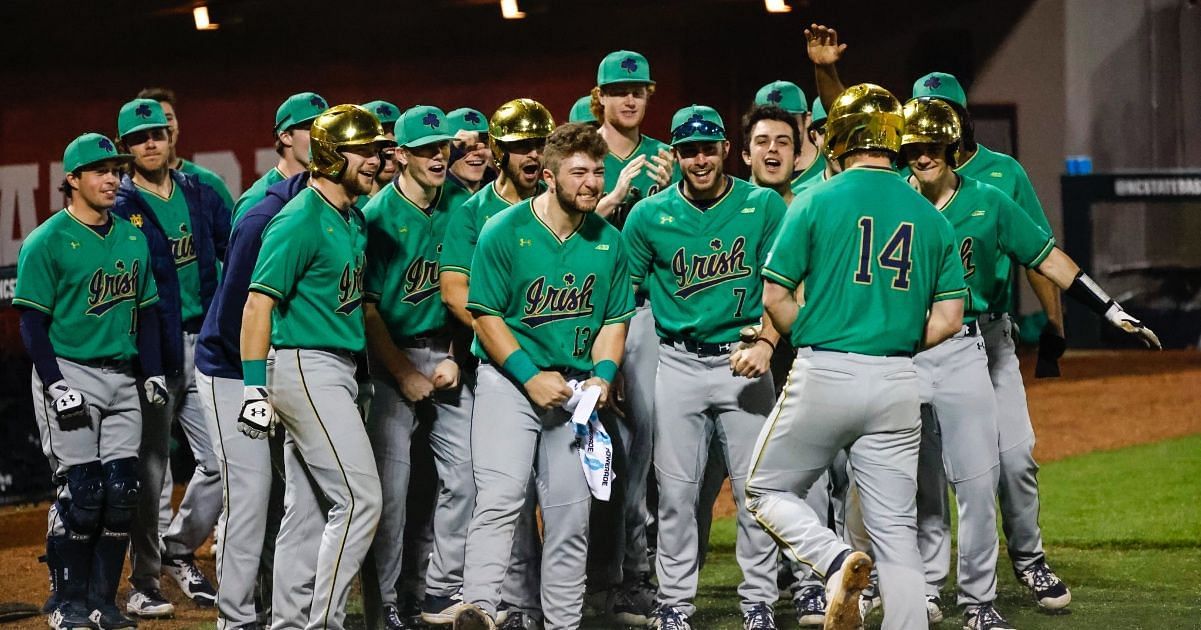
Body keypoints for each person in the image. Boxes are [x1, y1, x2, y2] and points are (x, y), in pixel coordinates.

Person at [900, 97, 1160, 628]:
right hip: (904, 352)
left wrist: (1110, 310)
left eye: (932, 146)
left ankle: (981, 599)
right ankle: (924, 586)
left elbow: (1047, 257)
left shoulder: (990, 199)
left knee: (981, 475)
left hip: (972, 345)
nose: (923, 156)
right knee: (922, 479)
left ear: (952, 147)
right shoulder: (891, 200)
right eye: (913, 147)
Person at [745, 83, 970, 630]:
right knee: (896, 532)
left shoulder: (815, 201)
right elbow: (950, 318)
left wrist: (817, 332)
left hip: (826, 369)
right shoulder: (931, 216)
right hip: (898, 378)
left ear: (839, 136)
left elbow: (774, 294)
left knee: (765, 490)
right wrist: (891, 337)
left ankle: (835, 559)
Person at [452, 122, 635, 630]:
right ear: (550, 178)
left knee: (570, 518)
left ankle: (562, 624)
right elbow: (485, 317)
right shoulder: (503, 232)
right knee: (500, 499)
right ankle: (481, 609)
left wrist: (601, 376)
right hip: (507, 382)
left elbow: (613, 321)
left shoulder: (609, 242)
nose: (593, 183)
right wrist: (530, 376)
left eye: (598, 172)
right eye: (579, 173)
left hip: (574, 389)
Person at [623, 105, 785, 630]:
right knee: (674, 492)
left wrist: (767, 339)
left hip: (745, 360)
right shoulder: (648, 216)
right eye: (688, 150)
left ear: (725, 151)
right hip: (678, 364)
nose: (699, 159)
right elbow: (623, 292)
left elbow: (786, 285)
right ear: (675, 154)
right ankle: (674, 602)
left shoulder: (761, 206)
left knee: (753, 490)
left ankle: (758, 600)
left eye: (708, 148)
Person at [237, 104, 394, 630]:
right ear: (331, 154)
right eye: (365, 151)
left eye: (377, 150)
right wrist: (253, 389)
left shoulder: (349, 216)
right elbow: (257, 304)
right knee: (360, 500)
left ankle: (287, 622)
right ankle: (322, 623)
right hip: (305, 365)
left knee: (306, 514)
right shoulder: (299, 218)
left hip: (333, 368)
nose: (376, 159)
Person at [17, 133, 165, 630]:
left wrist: (153, 371)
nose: (111, 179)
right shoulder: (47, 240)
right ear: (72, 179)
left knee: (122, 492)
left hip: (121, 376)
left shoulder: (132, 236)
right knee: (81, 493)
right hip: (70, 372)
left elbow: (145, 314)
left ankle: (104, 602)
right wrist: (55, 383)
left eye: (115, 170)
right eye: (99, 171)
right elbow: (32, 323)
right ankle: (66, 603)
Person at [439, 98, 557, 630]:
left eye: (538, 145)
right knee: (499, 491)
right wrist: (508, 340)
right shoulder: (472, 212)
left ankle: (543, 607)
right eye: (519, 146)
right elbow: (454, 291)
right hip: (491, 369)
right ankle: (497, 603)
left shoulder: (559, 203)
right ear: (498, 152)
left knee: (558, 495)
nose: (530, 155)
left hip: (558, 369)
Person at [111, 98, 230, 617]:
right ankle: (145, 581)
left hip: (203, 342)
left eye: (157, 133)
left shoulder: (200, 191)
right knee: (152, 471)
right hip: (154, 352)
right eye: (140, 138)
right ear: (127, 149)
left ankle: (178, 550)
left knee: (223, 461)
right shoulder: (119, 206)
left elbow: (236, 248)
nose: (151, 143)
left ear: (171, 135)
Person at [358, 105, 473, 630]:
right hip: (390, 361)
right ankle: (383, 607)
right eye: (425, 149)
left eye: (442, 147)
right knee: (391, 495)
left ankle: (436, 592)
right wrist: (403, 372)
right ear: (399, 155)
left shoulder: (462, 204)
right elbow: (368, 307)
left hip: (448, 355)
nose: (437, 156)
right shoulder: (378, 216)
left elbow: (473, 295)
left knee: (466, 480)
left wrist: (455, 354)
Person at [194, 158, 313, 628]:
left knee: (284, 493)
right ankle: (236, 617)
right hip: (230, 370)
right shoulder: (262, 219)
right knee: (251, 491)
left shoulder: (334, 213)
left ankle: (271, 604)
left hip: (274, 367)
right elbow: (231, 318)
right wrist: (255, 388)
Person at [231, 92, 328, 225]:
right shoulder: (257, 200)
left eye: (327, 129)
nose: (322, 137)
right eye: (311, 129)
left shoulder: (335, 190)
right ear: (286, 137)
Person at [138, 87, 235, 210]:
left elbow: (233, 228)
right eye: (155, 120)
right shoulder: (122, 189)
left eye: (168, 118)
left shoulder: (208, 182)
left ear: (177, 125)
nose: (164, 126)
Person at [752, 80, 826, 194]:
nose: (778, 129)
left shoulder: (829, 167)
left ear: (807, 119)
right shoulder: (757, 178)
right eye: (767, 121)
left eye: (789, 120)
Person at [447, 107, 495, 196]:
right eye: (464, 145)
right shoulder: (433, 193)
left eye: (484, 142)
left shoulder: (497, 189)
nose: (477, 152)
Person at [362, 100, 402, 196]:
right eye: (380, 132)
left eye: (394, 130)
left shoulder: (409, 198)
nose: (390, 138)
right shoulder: (349, 201)